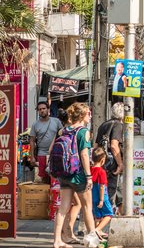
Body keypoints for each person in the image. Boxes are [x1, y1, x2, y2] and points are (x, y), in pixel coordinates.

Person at [52, 102, 98, 248]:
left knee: (63, 208)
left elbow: (51, 150)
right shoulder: (83, 132)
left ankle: (57, 240)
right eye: (89, 113)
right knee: (87, 207)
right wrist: (89, 176)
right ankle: (92, 240)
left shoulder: (63, 130)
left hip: (64, 174)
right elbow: (84, 155)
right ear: (83, 115)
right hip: (78, 174)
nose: (90, 116)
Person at [95, 102, 125, 213]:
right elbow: (113, 145)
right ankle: (107, 215)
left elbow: (96, 146)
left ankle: (117, 213)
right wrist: (120, 163)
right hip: (112, 163)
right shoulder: (118, 125)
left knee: (112, 189)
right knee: (112, 189)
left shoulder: (104, 124)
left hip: (102, 161)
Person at [30, 101, 62, 184]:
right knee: (43, 178)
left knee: (56, 178)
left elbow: (62, 135)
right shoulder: (35, 124)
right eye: (40, 109)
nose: (42, 110)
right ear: (38, 111)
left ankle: (54, 196)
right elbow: (32, 141)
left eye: (44, 108)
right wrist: (32, 156)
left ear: (48, 109)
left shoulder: (57, 121)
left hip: (55, 154)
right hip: (42, 154)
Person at [90, 147, 113, 240]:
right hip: (102, 196)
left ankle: (98, 232)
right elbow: (102, 186)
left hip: (92, 196)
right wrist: (102, 199)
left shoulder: (90, 170)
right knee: (109, 214)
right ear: (103, 160)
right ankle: (97, 229)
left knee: (98, 216)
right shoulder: (101, 171)